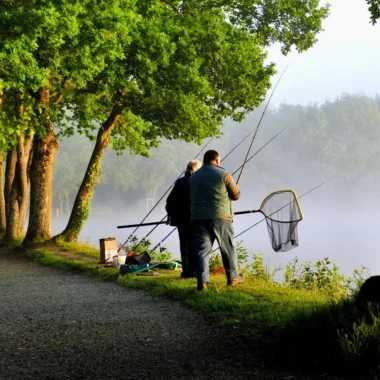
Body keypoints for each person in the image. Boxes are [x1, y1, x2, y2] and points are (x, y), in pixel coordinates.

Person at [189, 150, 245, 290]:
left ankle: (202, 282)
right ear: (217, 160)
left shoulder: (194, 177)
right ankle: (233, 278)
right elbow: (235, 195)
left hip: (198, 217)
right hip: (220, 217)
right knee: (227, 248)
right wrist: (237, 189)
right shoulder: (224, 174)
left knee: (202, 250)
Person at [166, 159, 202, 278]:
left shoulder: (180, 182)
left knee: (184, 245)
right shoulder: (197, 182)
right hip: (195, 218)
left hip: (181, 220)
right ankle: (195, 271)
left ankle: (186, 271)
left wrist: (170, 216)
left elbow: (169, 201)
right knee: (195, 245)